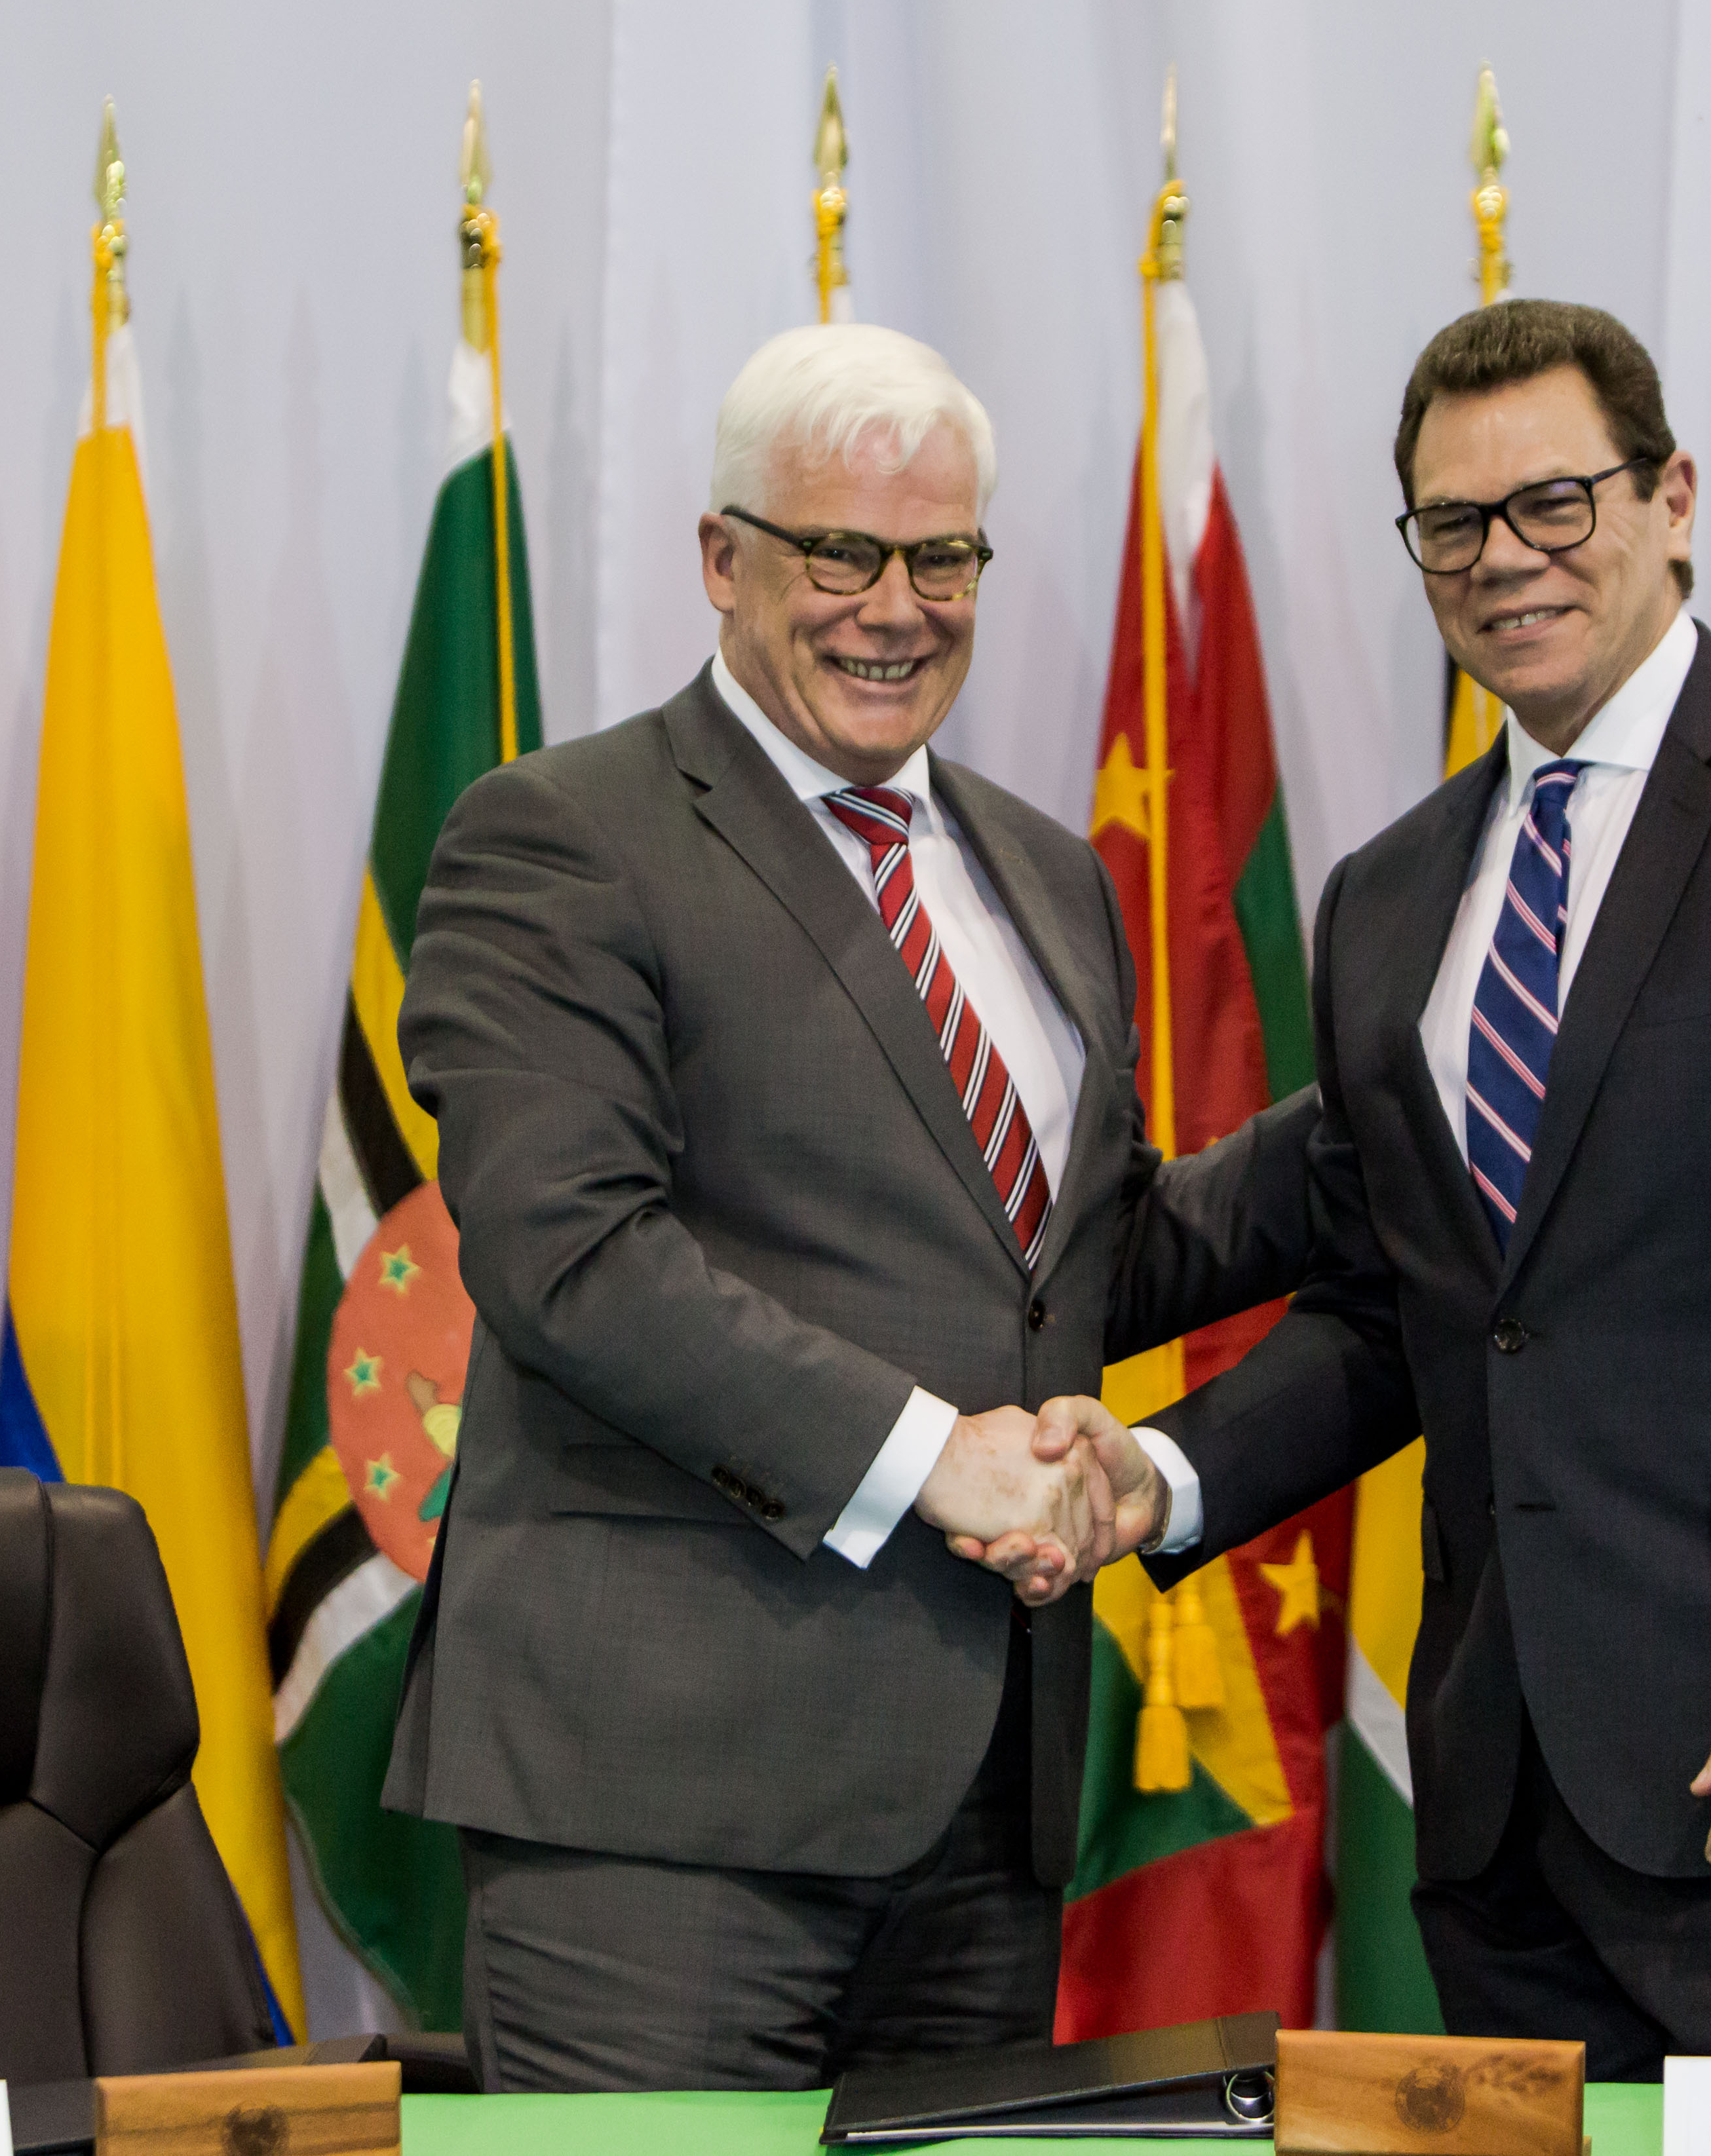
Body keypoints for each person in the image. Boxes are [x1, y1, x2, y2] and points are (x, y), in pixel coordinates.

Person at [996, 299, 1711, 2070]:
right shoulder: (1391, 894)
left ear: (1670, 499)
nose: (1503, 559)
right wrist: (1168, 1477)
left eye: (1554, 505)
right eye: (1453, 525)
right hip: (1505, 1808)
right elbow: (1407, 1311)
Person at [384, 322, 1308, 2091]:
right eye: (840, 554)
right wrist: (926, 1456)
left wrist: (1392, 1122)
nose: (897, 606)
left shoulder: (1041, 870)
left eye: (940, 557)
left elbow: (1072, 1266)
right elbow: (569, 1260)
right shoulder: (560, 837)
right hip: (656, 1813)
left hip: (983, 1799)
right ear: (722, 560)